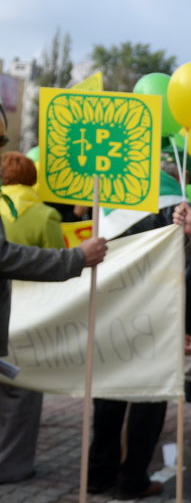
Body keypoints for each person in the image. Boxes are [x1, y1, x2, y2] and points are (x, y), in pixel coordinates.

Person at [86, 148, 191, 499]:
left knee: (108, 395)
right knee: (149, 396)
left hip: (111, 310)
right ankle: (132, 479)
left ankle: (99, 474)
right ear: (177, 175)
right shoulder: (176, 206)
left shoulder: (111, 197)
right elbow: (188, 267)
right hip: (156, 316)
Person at [0, 150, 107, 483]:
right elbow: (40, 259)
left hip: (10, 309)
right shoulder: (44, 214)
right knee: (21, 391)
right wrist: (74, 259)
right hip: (31, 311)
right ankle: (12, 465)